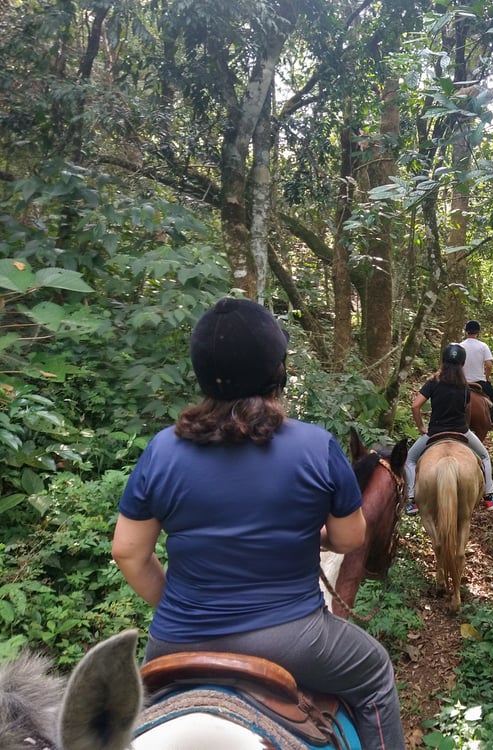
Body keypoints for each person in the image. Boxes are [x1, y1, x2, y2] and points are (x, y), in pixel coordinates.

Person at [111, 297, 404, 750]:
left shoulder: (161, 451)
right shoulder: (316, 446)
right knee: (376, 672)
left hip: (174, 642)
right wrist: (312, 534)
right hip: (293, 638)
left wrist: (181, 608)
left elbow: (128, 551)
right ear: (277, 372)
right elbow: (350, 538)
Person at [404, 343, 493, 515]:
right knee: (485, 457)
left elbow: (415, 406)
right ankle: (489, 496)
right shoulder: (464, 386)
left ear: (443, 361)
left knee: (409, 460)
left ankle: (412, 500)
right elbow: (465, 409)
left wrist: (421, 426)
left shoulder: (433, 382)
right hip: (461, 431)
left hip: (434, 432)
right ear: (462, 364)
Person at [460, 319, 493, 426]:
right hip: (479, 381)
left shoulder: (460, 346)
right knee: (492, 396)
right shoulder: (483, 346)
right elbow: (489, 365)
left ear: (466, 331)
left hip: (461, 382)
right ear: (478, 332)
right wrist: (487, 377)